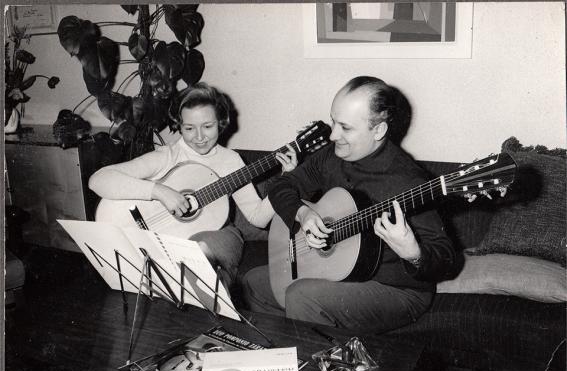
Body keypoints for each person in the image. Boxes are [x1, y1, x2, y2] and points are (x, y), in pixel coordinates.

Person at [242, 76, 457, 332]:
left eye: (345, 127)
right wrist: (303, 214)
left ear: (378, 130)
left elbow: (445, 257)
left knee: (301, 295)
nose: (333, 135)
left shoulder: (408, 181)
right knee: (252, 282)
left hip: (397, 289)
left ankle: (321, 364)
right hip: (340, 271)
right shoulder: (331, 157)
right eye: (333, 121)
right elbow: (282, 185)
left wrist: (413, 253)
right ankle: (294, 348)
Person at [89, 82, 297, 291]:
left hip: (219, 233)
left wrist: (285, 179)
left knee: (200, 255)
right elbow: (98, 179)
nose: (199, 137)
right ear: (179, 125)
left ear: (221, 123)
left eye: (208, 126)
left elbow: (258, 217)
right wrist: (158, 191)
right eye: (189, 128)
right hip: (171, 236)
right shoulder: (168, 156)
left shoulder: (231, 161)